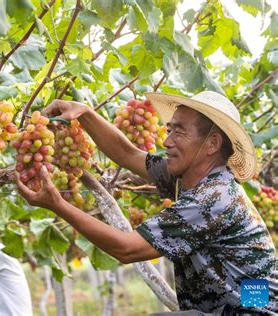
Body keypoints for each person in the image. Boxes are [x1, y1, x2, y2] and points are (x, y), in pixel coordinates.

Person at [16, 91, 277, 315]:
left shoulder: (214, 196)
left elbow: (128, 249)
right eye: (169, 129)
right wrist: (85, 113)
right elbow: (128, 154)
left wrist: (58, 205)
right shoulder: (190, 179)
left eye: (179, 132)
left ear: (211, 144)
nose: (166, 141)